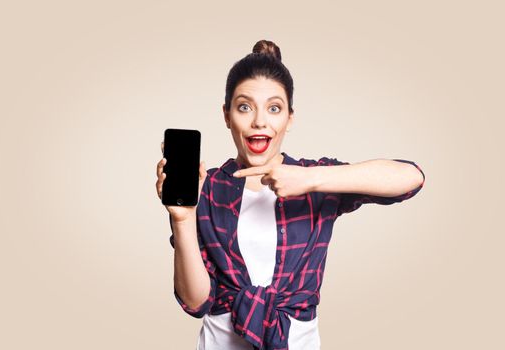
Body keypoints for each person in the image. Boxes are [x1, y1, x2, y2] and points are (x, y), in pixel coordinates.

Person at [156, 39, 425, 350]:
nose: (260, 121)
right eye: (245, 107)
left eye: (274, 108)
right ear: (227, 115)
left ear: (289, 118)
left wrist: (311, 179)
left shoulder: (315, 181)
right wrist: (184, 218)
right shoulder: (209, 187)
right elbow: (196, 302)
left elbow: (411, 178)